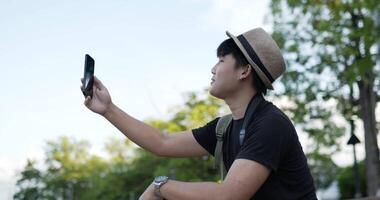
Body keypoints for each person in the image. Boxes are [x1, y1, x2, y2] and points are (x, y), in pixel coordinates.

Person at [82, 28, 317, 200]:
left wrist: (160, 187)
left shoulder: (270, 124)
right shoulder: (225, 127)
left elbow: (229, 195)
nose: (213, 69)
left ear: (244, 70)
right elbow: (162, 143)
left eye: (221, 60)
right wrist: (108, 109)